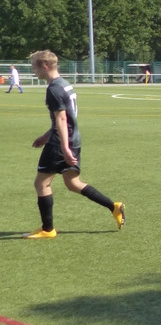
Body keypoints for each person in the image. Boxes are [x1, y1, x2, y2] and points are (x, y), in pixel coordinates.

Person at [23, 50, 126, 239]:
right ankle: (114, 207)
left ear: (45, 66)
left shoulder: (54, 89)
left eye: (34, 67)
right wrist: (47, 135)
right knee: (72, 183)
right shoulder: (64, 84)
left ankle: (48, 230)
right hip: (73, 139)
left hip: (61, 143)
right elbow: (68, 117)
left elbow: (62, 119)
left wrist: (63, 147)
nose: (33, 71)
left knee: (41, 183)